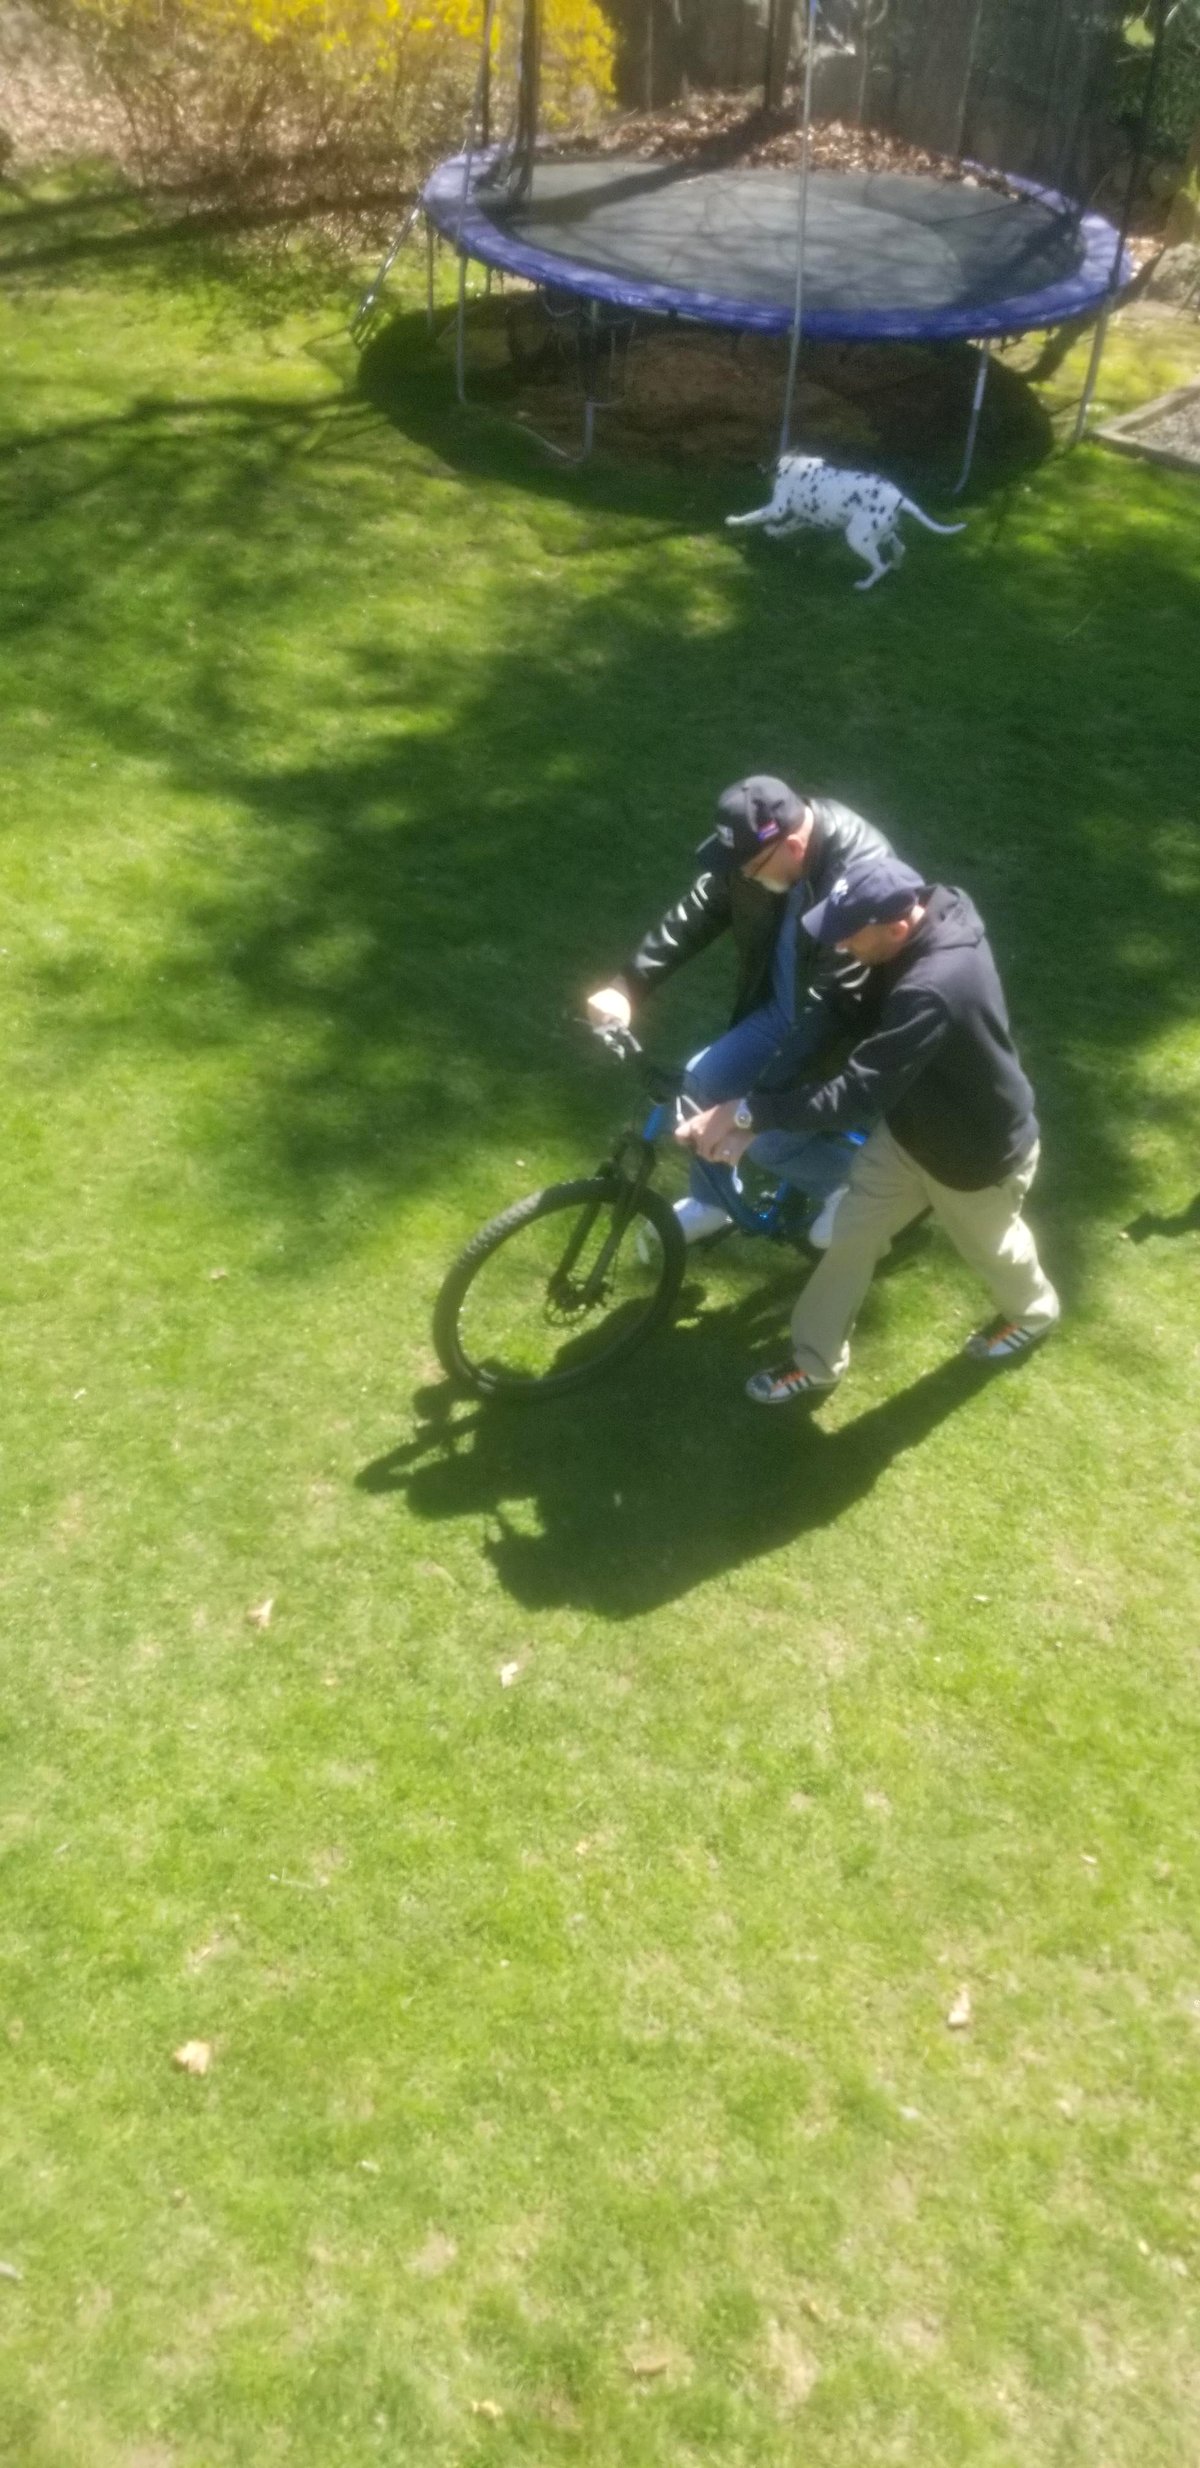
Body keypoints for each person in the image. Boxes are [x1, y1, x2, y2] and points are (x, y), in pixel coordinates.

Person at [676, 854, 1060, 1403]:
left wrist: (747, 1113)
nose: (839, 945)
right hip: (909, 1137)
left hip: (975, 1156)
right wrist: (753, 1119)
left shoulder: (933, 987)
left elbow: (857, 1093)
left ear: (897, 926)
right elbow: (855, 1009)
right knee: (851, 1237)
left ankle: (1034, 1310)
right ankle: (816, 1362)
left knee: (994, 1251)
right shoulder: (928, 915)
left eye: (850, 934)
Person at [586, 775, 910, 1246]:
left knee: (771, 1145)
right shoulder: (757, 854)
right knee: (700, 1083)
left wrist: (752, 1109)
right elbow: (702, 905)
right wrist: (626, 986)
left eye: (750, 867)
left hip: (845, 1035)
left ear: (793, 847)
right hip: (786, 1012)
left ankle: (865, 1195)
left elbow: (836, 1009)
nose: (742, 876)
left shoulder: (857, 877)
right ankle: (713, 1204)